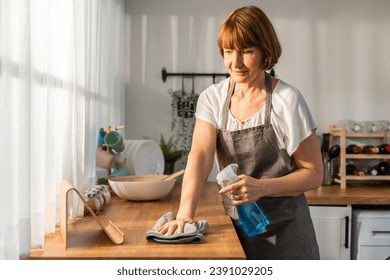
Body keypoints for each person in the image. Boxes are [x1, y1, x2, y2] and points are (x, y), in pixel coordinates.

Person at [157, 5, 323, 260]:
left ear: (265, 51)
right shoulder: (212, 99)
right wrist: (185, 214)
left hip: (287, 232)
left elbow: (314, 175)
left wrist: (262, 187)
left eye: (247, 52)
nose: (235, 63)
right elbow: (200, 156)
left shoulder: (287, 100)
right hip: (236, 229)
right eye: (228, 51)